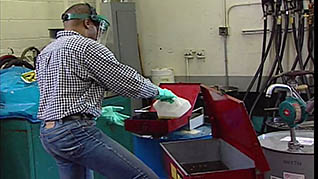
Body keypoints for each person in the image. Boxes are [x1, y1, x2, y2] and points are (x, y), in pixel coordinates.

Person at [36, 3, 177, 179]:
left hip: (49, 134)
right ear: (88, 23)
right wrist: (158, 91)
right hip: (74, 133)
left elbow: (60, 95)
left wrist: (98, 111)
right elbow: (124, 80)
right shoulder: (86, 46)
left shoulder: (46, 52)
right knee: (143, 177)